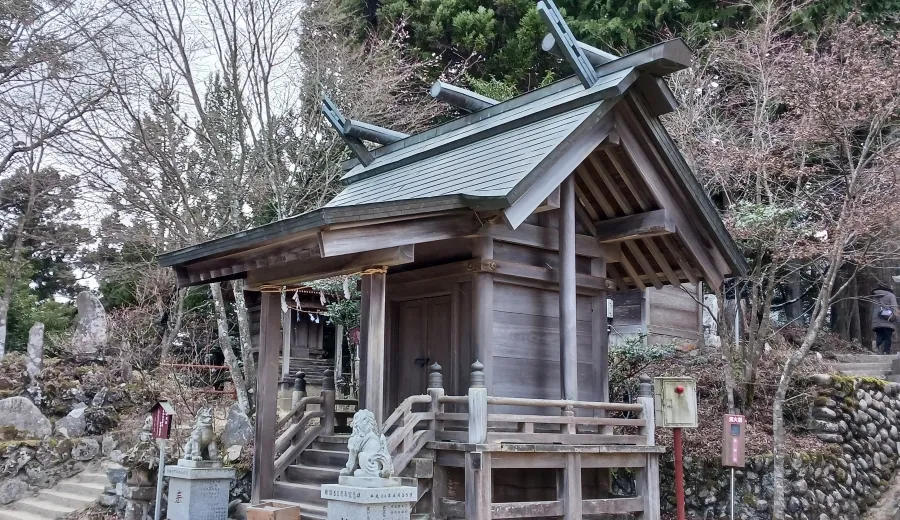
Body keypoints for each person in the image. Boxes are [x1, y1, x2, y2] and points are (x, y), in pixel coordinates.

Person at [871, 285, 898, 354]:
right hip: (888, 319)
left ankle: (876, 343)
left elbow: (873, 309)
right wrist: (897, 318)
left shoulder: (875, 296)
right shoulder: (891, 295)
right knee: (888, 337)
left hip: (876, 320)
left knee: (880, 335)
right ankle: (886, 351)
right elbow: (895, 308)